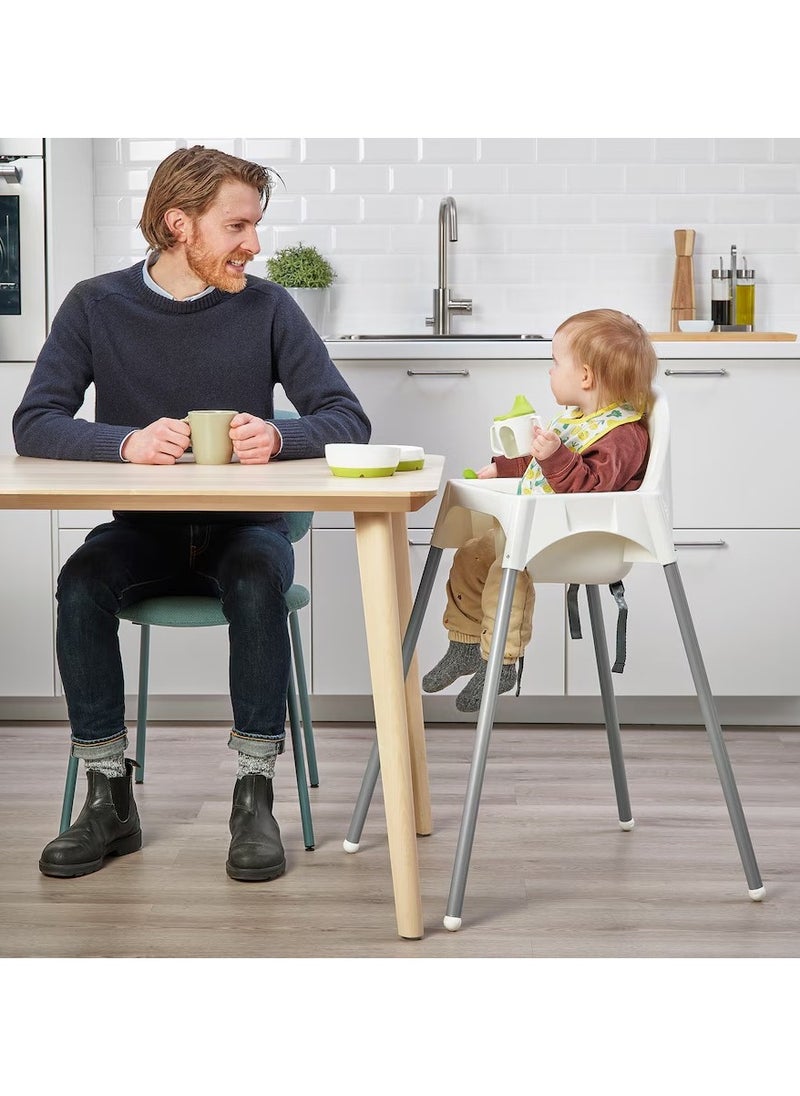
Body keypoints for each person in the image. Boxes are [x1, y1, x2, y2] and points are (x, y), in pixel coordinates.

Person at [13, 145, 371, 882]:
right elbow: (35, 421)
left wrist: (280, 436)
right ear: (181, 224)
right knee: (81, 585)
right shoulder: (95, 304)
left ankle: (254, 796)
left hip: (248, 531)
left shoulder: (269, 306)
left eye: (256, 225)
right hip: (143, 532)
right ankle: (108, 798)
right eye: (237, 225)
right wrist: (125, 444)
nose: (254, 243)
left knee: (252, 581)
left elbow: (347, 418)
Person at [422, 308, 657, 712]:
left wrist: (553, 455)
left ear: (584, 376)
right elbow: (543, 466)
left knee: (503, 569)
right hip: (542, 529)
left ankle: (501, 661)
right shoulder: (581, 420)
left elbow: (590, 486)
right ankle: (463, 645)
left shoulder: (623, 434)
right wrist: (503, 467)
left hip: (581, 538)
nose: (549, 371)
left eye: (554, 362)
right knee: (472, 554)